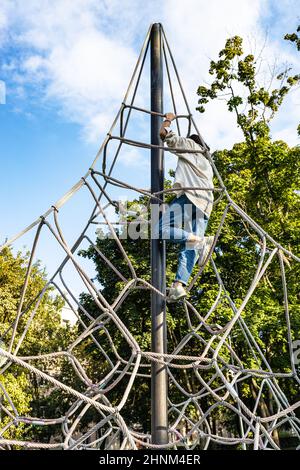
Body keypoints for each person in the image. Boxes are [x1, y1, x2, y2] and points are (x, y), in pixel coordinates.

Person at [155, 112, 214, 302]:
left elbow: (164, 135)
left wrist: (169, 119)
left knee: (161, 230)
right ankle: (178, 286)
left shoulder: (190, 146)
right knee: (189, 247)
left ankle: (200, 240)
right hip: (206, 203)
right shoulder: (207, 161)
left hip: (190, 196)